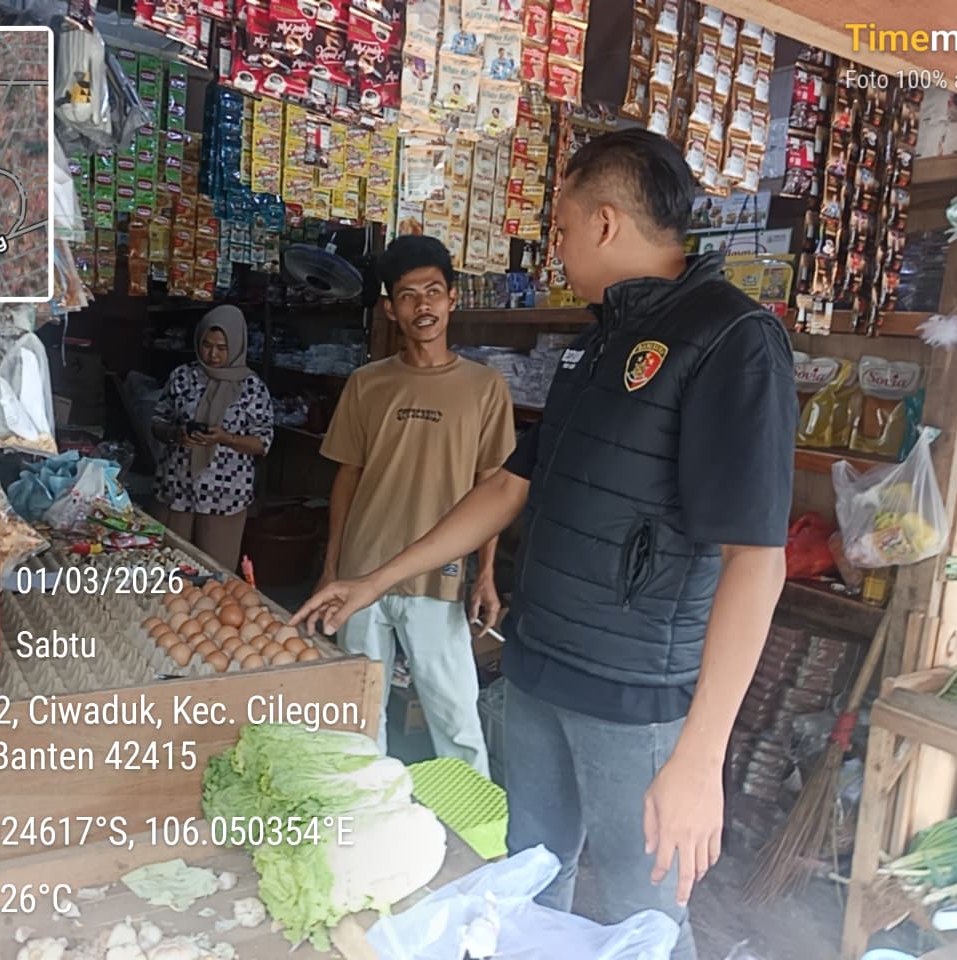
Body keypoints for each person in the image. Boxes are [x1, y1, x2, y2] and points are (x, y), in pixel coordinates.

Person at [294, 130, 796, 958]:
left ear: (605, 222)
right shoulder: (597, 342)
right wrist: (374, 580)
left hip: (635, 697)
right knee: (527, 880)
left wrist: (701, 757)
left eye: (560, 228)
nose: (554, 246)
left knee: (644, 914)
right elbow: (507, 487)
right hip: (539, 671)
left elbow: (756, 558)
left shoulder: (731, 339)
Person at [318, 235, 515, 777]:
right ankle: (365, 807)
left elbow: (493, 488)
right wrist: (332, 567)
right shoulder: (366, 384)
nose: (422, 306)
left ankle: (474, 819)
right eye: (407, 295)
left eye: (432, 291)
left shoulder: (485, 387)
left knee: (455, 715)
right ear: (390, 309)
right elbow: (347, 478)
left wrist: (485, 573)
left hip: (440, 577)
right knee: (357, 713)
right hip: (362, 571)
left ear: (452, 298)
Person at [151, 305, 274, 571]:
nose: (213, 354)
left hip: (225, 496)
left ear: (237, 345)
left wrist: (226, 438)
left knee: (217, 573)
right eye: (207, 345)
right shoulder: (182, 377)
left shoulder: (251, 387)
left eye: (222, 348)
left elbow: (263, 442)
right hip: (177, 488)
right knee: (169, 566)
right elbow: (158, 421)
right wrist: (175, 434)